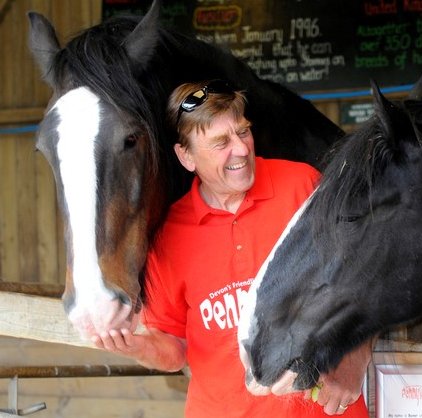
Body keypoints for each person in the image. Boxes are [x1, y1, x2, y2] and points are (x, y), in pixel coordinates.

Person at [92, 79, 372, 417]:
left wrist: (356, 356)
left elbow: (371, 277)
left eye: (243, 132)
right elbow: (174, 346)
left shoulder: (304, 186)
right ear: (186, 156)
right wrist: (136, 346)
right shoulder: (169, 236)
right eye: (221, 142)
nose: (240, 149)